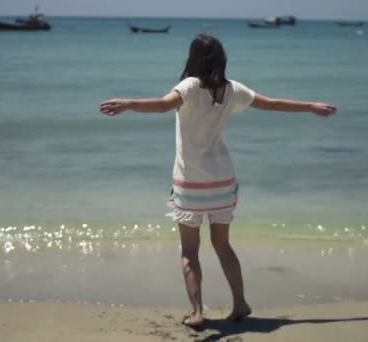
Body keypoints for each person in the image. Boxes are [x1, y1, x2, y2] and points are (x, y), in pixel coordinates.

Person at [100, 34, 336, 328]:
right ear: (222, 59)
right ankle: (240, 304)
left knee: (189, 250)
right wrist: (311, 106)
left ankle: (197, 312)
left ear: (193, 59)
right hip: (223, 181)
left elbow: (162, 106)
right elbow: (272, 104)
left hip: (191, 183)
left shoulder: (189, 86)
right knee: (222, 245)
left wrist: (128, 103)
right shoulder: (233, 89)